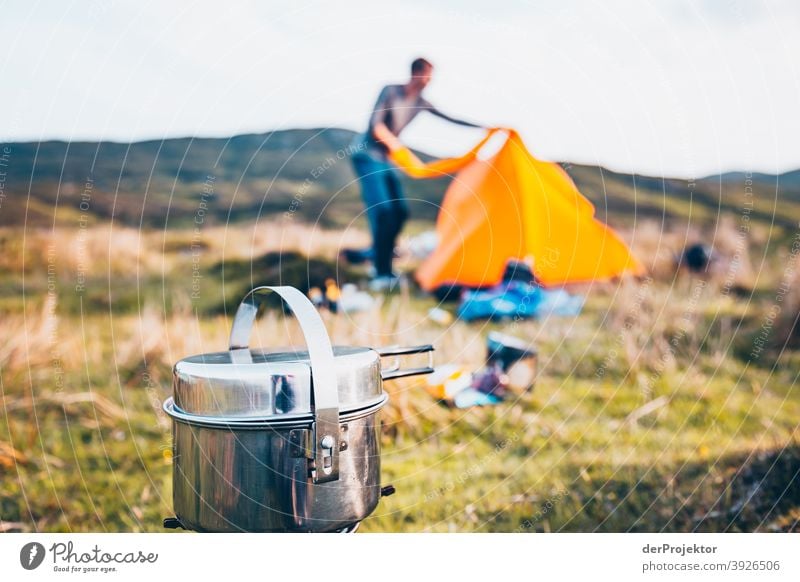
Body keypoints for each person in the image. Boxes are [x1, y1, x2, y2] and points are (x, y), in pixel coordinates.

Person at [351, 57, 484, 291]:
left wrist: (487, 127)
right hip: (367, 155)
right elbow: (376, 126)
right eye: (427, 76)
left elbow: (450, 118)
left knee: (400, 211)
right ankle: (381, 272)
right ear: (416, 73)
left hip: (387, 159)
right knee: (383, 211)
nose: (429, 81)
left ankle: (381, 261)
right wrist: (397, 147)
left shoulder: (421, 102)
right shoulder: (391, 91)